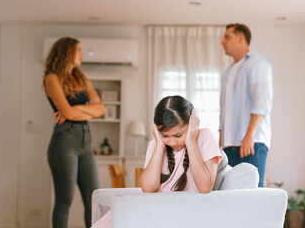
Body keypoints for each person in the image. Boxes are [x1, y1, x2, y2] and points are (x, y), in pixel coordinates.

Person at [92, 95, 222, 227]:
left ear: (191, 123)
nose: (172, 142)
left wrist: (190, 141)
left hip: (175, 213)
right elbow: (148, 188)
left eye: (178, 135)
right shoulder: (156, 144)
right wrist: (160, 144)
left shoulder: (204, 137)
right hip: (150, 209)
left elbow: (205, 187)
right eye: (165, 136)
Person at [43, 37, 105, 228]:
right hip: (64, 141)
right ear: (66, 52)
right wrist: (86, 109)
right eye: (78, 50)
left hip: (85, 140)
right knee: (64, 200)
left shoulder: (81, 78)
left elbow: (101, 109)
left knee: (93, 198)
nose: (82, 54)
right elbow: (68, 112)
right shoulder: (52, 78)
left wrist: (75, 109)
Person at [219, 23, 273, 187]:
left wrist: (249, 136)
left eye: (227, 37)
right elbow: (224, 112)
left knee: (253, 196)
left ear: (241, 38)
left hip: (251, 143)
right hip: (229, 145)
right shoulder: (227, 73)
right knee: (231, 195)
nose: (223, 42)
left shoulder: (258, 64)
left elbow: (262, 103)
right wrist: (220, 144)